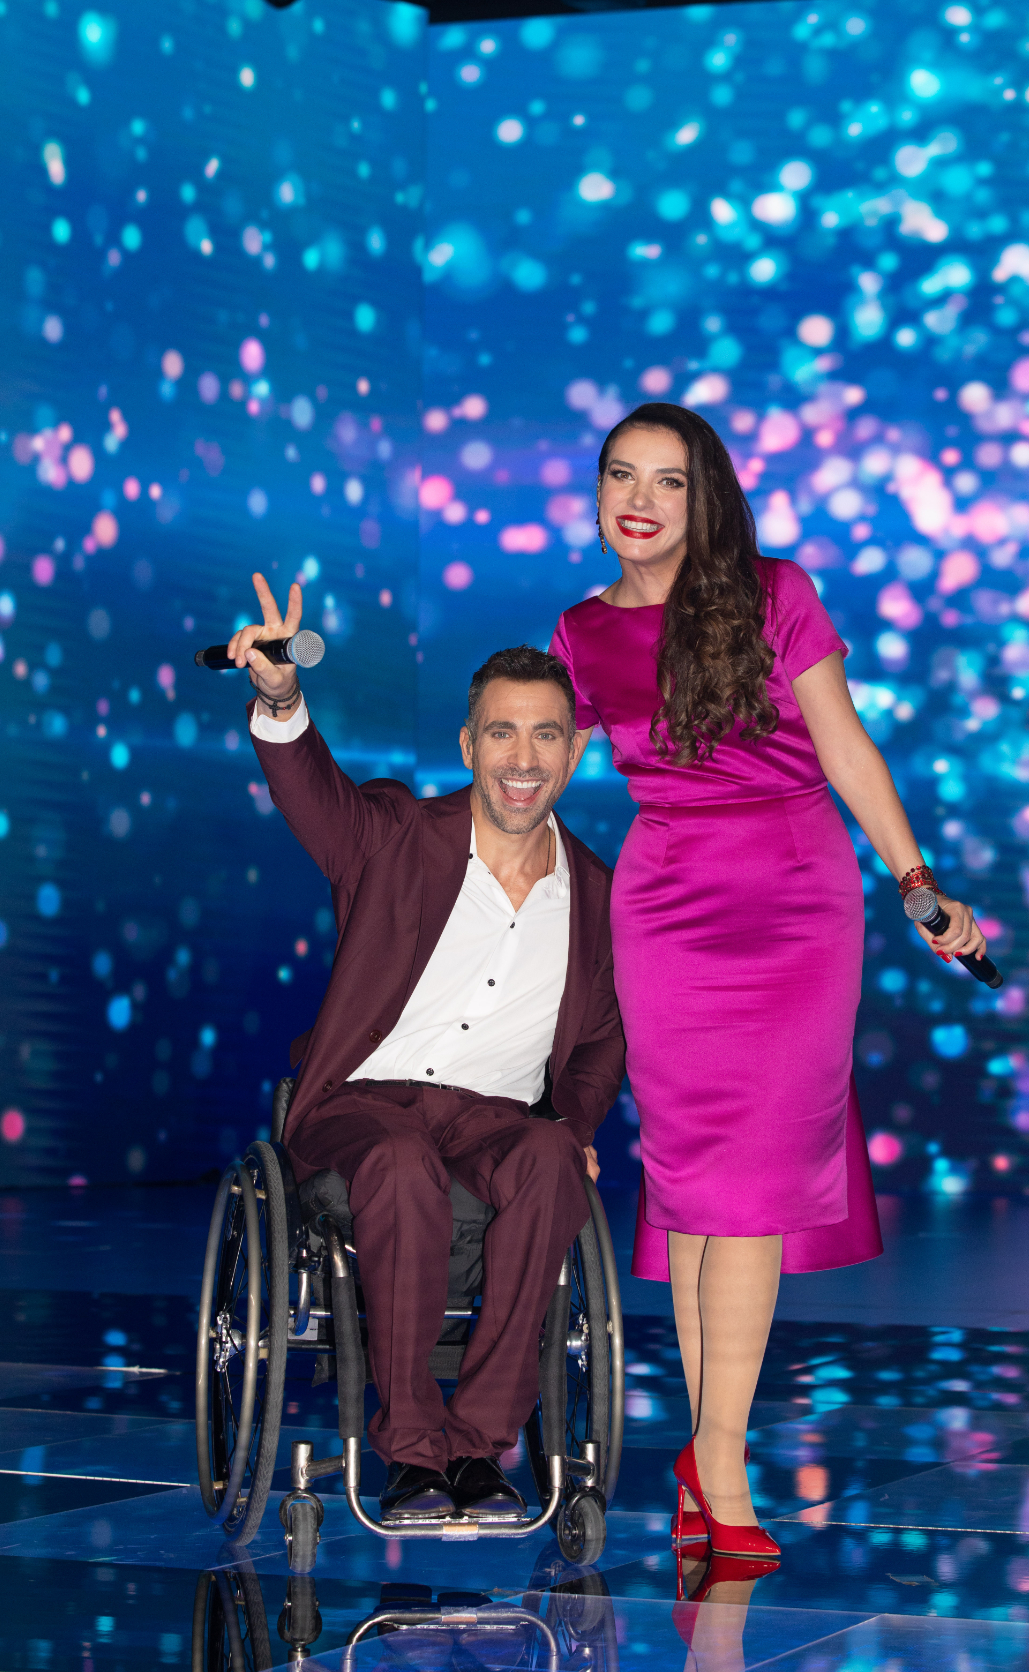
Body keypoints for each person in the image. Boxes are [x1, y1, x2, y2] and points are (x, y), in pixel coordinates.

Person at [550, 403, 987, 1561]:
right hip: (666, 910)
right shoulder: (578, 631)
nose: (640, 499)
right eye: (621, 475)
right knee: (701, 1183)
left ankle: (716, 1456)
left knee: (748, 1186)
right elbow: (533, 773)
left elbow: (844, 746)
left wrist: (916, 881)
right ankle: (717, 1461)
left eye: (669, 480)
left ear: (709, 498)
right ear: (597, 494)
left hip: (798, 902)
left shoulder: (776, 592)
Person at [228, 574, 626, 1524]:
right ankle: (411, 1449)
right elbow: (315, 796)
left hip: (495, 1120)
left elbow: (602, 1042)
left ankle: (480, 1447)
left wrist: (573, 1125)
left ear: (576, 751)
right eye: (502, 733)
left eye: (545, 736)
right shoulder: (396, 835)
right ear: (468, 745)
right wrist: (282, 699)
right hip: (364, 1105)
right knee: (403, 1160)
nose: (522, 759)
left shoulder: (600, 895)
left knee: (549, 1160)